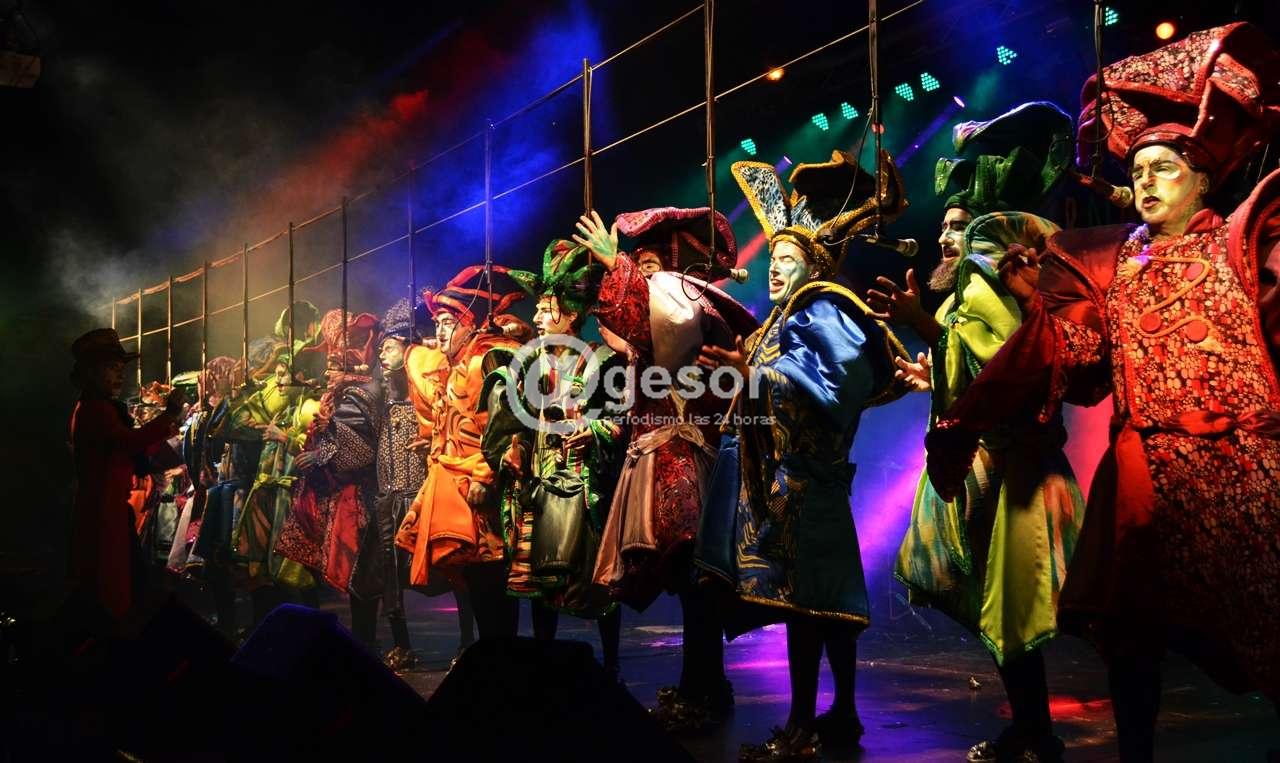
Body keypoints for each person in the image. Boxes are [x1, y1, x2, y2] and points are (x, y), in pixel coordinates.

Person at [924, 24, 1280, 762]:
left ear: (1203, 178)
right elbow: (1056, 357)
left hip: (1245, 468)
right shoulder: (1106, 263)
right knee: (1132, 639)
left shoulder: (1243, 242)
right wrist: (967, 418)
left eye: (1165, 168)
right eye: (1139, 168)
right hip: (1144, 473)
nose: (1146, 181)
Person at [873, 102, 1086, 763]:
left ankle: (1038, 735)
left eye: (958, 226)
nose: (946, 236)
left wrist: (924, 326)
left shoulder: (992, 271)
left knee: (1014, 605)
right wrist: (933, 370)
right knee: (1006, 609)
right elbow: (977, 367)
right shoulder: (982, 279)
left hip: (1014, 470)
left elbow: (1007, 363)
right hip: (998, 465)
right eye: (944, 224)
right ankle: (1032, 729)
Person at [696, 149, 911, 760]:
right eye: (773, 259)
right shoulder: (781, 321)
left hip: (810, 482)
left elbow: (828, 388)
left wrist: (752, 376)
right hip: (789, 484)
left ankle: (805, 724)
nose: (775, 268)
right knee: (822, 604)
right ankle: (836, 714)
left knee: (812, 607)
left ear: (813, 265)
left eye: (787, 260)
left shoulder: (821, 309)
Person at [574, 206, 758, 732]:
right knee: (687, 578)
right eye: (639, 263)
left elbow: (648, 320)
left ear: (676, 265)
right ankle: (704, 683)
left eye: (650, 263)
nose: (642, 272)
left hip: (681, 453)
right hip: (663, 450)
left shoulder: (681, 298)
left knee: (694, 575)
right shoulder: (671, 303)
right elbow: (631, 327)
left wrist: (616, 265)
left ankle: (704, 688)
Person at [481, 239, 625, 679]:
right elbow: (515, 430)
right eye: (539, 310)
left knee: (596, 582)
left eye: (547, 310)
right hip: (539, 484)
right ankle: (545, 666)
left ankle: (612, 665)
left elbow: (623, 420)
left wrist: (594, 431)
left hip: (584, 486)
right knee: (540, 586)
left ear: (571, 314)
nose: (538, 318)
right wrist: (513, 451)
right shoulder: (526, 366)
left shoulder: (602, 362)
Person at [395, 266, 531, 640]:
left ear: (470, 326)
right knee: (474, 580)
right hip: (452, 483)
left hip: (478, 486)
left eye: (449, 323)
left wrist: (485, 475)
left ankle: (500, 654)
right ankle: (489, 653)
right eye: (438, 322)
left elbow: (503, 425)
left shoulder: (480, 362)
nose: (440, 331)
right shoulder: (453, 365)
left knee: (491, 576)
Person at [69, 327, 185, 620]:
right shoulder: (95, 410)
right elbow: (129, 443)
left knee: (123, 580)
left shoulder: (99, 407)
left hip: (108, 508)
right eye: (112, 368)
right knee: (111, 586)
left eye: (121, 369)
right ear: (91, 372)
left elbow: (132, 451)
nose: (119, 376)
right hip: (102, 510)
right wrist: (168, 415)